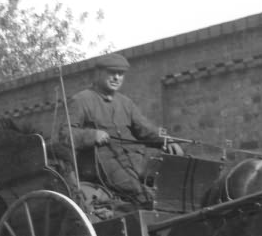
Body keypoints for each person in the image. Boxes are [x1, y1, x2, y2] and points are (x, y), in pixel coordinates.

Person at [62, 53, 182, 205]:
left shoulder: (125, 103)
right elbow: (65, 135)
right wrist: (92, 135)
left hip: (135, 162)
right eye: (112, 73)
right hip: (103, 166)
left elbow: (145, 128)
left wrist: (167, 140)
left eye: (120, 74)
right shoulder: (81, 100)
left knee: (170, 182)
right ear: (98, 74)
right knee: (142, 193)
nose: (117, 78)